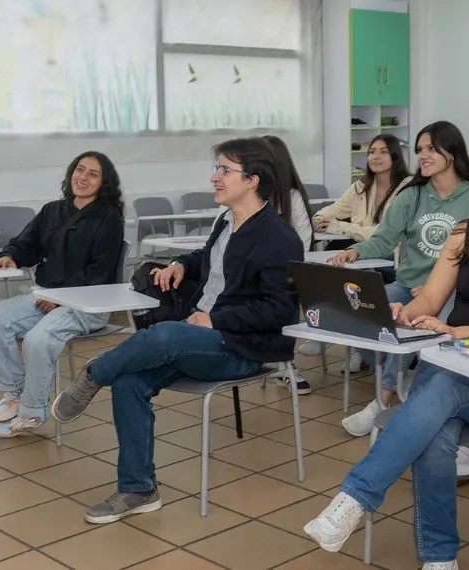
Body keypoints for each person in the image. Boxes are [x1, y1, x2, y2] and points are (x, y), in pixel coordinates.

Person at [303, 134, 469, 570]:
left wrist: (457, 333)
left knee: (437, 395)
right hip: (448, 369)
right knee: (436, 431)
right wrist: (405, 310)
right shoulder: (467, 232)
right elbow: (431, 300)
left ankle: (355, 497)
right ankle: (440, 561)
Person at [50, 137, 303, 524]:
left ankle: (93, 373)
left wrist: (216, 320)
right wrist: (182, 264)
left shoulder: (278, 237)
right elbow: (210, 259)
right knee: (130, 381)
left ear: (252, 179)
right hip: (201, 336)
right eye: (216, 168)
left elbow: (279, 310)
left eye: (224, 170)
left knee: (165, 334)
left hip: (244, 347)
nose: (214, 177)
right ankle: (138, 489)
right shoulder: (227, 221)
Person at [329, 123, 469, 469]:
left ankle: (382, 399)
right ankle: (402, 378)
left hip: (454, 291)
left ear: (452, 151)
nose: (423, 156)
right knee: (360, 310)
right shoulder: (412, 195)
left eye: (431, 148)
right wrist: (355, 252)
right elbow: (384, 240)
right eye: (419, 150)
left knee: (410, 317)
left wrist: (438, 285)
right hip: (407, 284)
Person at [0, 151, 125, 437]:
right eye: (79, 170)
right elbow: (26, 243)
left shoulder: (109, 217)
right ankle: (14, 390)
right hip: (46, 297)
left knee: (37, 339)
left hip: (87, 304)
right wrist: (10, 255)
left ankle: (33, 412)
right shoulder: (52, 210)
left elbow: (102, 269)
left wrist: (61, 296)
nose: (83, 177)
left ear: (103, 183)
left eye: (93, 174)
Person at [300, 134, 412, 357]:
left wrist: (341, 227)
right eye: (372, 152)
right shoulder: (361, 187)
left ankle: (354, 347)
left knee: (356, 284)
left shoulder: (407, 188)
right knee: (330, 272)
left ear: (395, 156)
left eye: (383, 151)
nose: (375, 156)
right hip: (363, 253)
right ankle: (328, 331)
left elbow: (384, 236)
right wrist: (322, 220)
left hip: (394, 258)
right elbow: (326, 213)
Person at [260, 135, 315, 395]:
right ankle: (266, 355)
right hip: (248, 273)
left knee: (284, 288)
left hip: (283, 273)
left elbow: (302, 245)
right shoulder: (245, 194)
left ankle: (284, 361)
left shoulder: (292, 198)